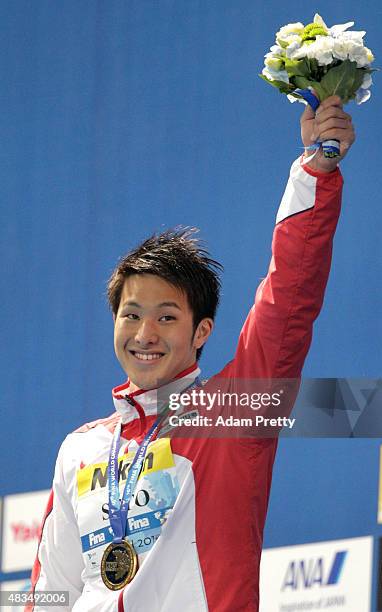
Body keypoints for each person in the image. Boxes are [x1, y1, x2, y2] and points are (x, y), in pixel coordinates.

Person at [27, 96, 355, 612]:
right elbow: (50, 592)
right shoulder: (79, 451)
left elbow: (289, 298)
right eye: (131, 315)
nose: (145, 333)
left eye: (167, 316)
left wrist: (314, 172)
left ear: (202, 331)